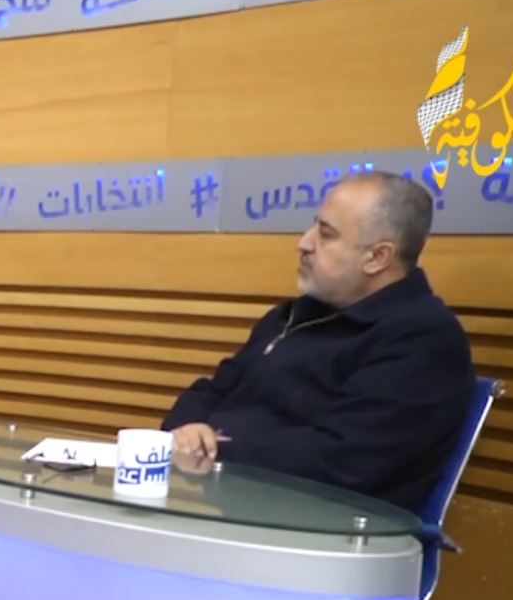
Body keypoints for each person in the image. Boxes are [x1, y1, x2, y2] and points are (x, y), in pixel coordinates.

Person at [161, 173, 473, 512]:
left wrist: (215, 447)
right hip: (235, 504)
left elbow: (340, 463)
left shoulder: (422, 340)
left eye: (326, 234)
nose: (304, 243)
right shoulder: (293, 316)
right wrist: (187, 429)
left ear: (377, 257)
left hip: (327, 529)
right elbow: (211, 391)